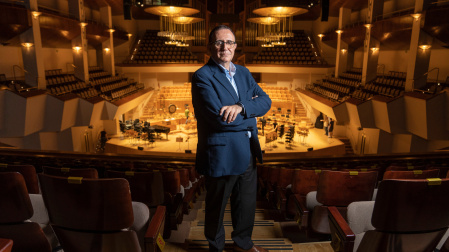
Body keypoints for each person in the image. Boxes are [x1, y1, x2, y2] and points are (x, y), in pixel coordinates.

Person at [191, 25, 271, 252]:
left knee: (245, 204)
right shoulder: (202, 76)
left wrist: (241, 107)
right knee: (217, 206)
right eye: (218, 43)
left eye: (229, 43)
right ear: (210, 47)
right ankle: (215, 248)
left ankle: (243, 244)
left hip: (247, 149)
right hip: (221, 153)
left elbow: (266, 101)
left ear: (235, 46)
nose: (224, 47)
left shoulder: (244, 73)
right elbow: (219, 119)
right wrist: (252, 118)